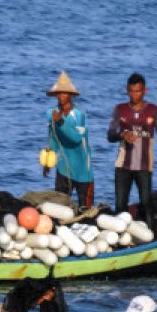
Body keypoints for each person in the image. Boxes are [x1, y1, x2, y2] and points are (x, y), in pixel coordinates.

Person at [107, 72, 157, 228]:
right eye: (131, 91)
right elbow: (110, 135)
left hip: (144, 166)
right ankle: (120, 237)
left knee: (146, 201)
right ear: (127, 90)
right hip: (123, 166)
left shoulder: (153, 110)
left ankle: (151, 233)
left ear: (145, 91)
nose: (134, 95)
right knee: (120, 204)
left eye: (138, 91)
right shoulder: (120, 109)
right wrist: (122, 134)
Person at [45, 71, 93, 209]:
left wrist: (61, 122)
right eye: (58, 93)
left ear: (71, 95)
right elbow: (53, 138)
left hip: (83, 171)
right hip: (63, 169)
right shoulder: (52, 113)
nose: (61, 96)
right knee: (60, 209)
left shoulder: (79, 114)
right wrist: (48, 161)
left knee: (85, 210)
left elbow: (76, 139)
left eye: (64, 93)